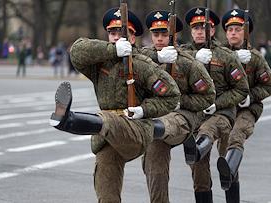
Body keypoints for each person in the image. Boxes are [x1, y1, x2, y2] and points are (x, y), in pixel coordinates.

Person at [49, 7, 180, 203]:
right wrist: (112, 50)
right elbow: (76, 51)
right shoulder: (100, 64)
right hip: (107, 137)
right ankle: (69, 120)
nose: (116, 37)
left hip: (135, 129)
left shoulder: (141, 64)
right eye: (112, 33)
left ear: (132, 38)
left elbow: (172, 95)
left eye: (122, 33)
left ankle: (69, 120)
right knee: (106, 193)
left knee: (107, 119)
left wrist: (144, 109)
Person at [138, 10, 215, 203]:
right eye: (156, 35)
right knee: (155, 174)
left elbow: (207, 95)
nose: (160, 39)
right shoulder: (143, 60)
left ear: (174, 36)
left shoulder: (187, 62)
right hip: (156, 124)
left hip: (184, 120)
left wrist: (181, 102)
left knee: (200, 172)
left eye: (165, 35)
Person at [181, 7, 249, 202]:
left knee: (228, 166)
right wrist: (193, 61)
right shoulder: (181, 55)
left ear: (212, 30)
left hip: (222, 115)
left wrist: (217, 104)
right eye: (196, 28)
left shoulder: (226, 56)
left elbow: (241, 89)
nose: (200, 31)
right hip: (195, 116)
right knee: (199, 173)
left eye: (205, 27)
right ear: (191, 31)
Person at [216, 9, 271, 203]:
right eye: (229, 29)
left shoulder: (255, 57)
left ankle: (230, 173)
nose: (232, 33)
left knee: (236, 135)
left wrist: (250, 97)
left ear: (245, 32)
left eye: (237, 29)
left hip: (248, 109)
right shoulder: (218, 55)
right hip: (225, 108)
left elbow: (268, 84)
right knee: (226, 153)